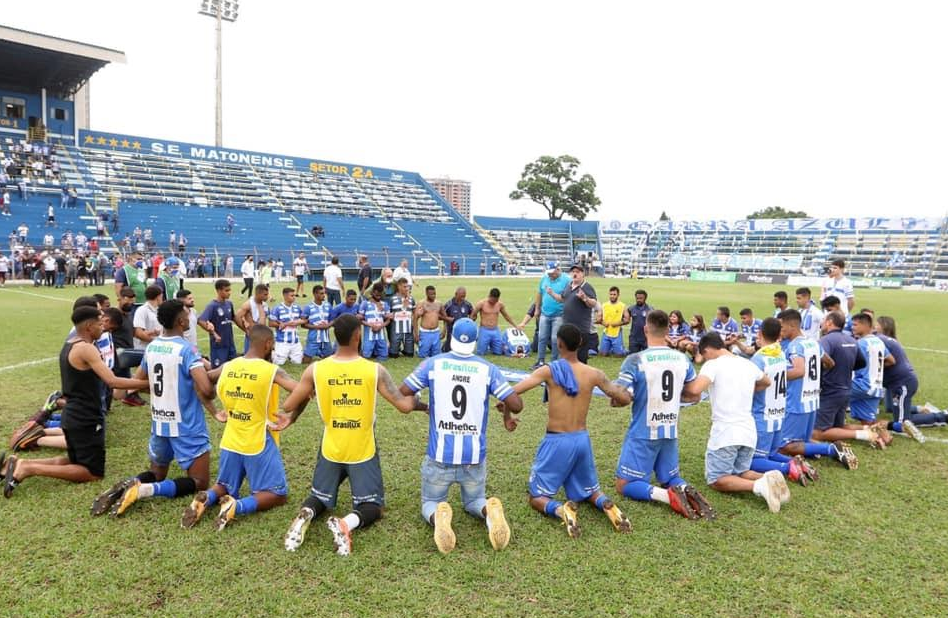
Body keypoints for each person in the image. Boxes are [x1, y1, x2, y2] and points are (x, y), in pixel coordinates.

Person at [276, 314, 424, 555]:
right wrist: (423, 404)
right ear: (358, 336)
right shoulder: (374, 370)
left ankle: (306, 514)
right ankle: (345, 523)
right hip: (361, 449)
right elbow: (404, 406)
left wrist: (298, 409)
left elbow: (289, 404)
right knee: (373, 507)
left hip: (331, 446)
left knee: (319, 497)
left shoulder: (316, 369)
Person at [399, 318, 524, 553]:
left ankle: (439, 517)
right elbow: (516, 404)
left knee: (430, 502)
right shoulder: (487, 369)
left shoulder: (433, 364)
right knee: (474, 501)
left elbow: (403, 393)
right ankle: (489, 511)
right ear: (475, 341)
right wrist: (506, 413)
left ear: (451, 338)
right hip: (473, 456)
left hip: (440, 455)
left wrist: (424, 406)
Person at [2, 307, 148, 498]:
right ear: (88, 326)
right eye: (99, 323)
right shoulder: (86, 349)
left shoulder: (70, 343)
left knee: (75, 461)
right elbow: (112, 381)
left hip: (73, 414)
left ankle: (21, 463)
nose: (103, 327)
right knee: (92, 472)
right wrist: (148, 383)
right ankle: (26, 469)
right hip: (85, 416)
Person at [502, 325, 633, 537]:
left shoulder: (549, 370)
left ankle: (560, 509)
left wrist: (507, 417)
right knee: (590, 491)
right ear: (580, 344)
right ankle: (605, 503)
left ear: (558, 344)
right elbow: (623, 396)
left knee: (536, 497)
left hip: (557, 441)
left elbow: (510, 393)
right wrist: (616, 403)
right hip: (582, 440)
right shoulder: (594, 374)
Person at [91, 300, 218, 517]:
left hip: (159, 423)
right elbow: (206, 391)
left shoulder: (152, 347)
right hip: (186, 425)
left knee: (157, 472)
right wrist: (216, 374)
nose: (189, 319)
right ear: (180, 321)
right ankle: (145, 490)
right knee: (200, 481)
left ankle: (129, 484)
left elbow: (137, 383)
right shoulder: (186, 350)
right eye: (187, 315)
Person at [180, 326, 301, 530]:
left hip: (231, 439)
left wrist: (214, 411)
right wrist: (291, 416)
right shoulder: (270, 370)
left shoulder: (228, 366)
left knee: (224, 486)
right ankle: (237, 506)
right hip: (257, 441)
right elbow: (301, 390)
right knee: (277, 494)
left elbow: (199, 382)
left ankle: (207, 497)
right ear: (268, 344)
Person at [613, 311, 716, 520]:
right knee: (671, 477)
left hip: (644, 431)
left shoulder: (635, 360)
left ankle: (667, 497)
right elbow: (693, 395)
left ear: (645, 329)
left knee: (624, 484)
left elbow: (619, 398)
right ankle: (686, 491)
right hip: (670, 429)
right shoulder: (682, 360)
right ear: (668, 331)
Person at [682, 333, 789, 513]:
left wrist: (681, 387)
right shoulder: (746, 364)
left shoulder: (713, 365)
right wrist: (748, 388)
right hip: (748, 430)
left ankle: (760, 486)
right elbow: (767, 381)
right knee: (740, 471)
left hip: (726, 432)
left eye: (704, 355)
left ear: (707, 350)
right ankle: (769, 478)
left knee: (716, 479)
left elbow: (695, 390)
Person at [775, 310, 858, 469]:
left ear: (792, 325)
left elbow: (799, 371)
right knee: (802, 441)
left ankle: (831, 449)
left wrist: (775, 375)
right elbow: (829, 363)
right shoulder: (813, 342)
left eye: (782, 326)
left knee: (785, 446)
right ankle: (815, 450)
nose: (780, 330)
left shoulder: (795, 346)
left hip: (797, 403)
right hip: (812, 400)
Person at [746, 318, 818, 485]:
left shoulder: (759, 358)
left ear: (759, 333)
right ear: (779, 335)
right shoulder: (779, 353)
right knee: (771, 453)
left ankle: (789, 468)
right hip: (779, 414)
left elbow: (753, 386)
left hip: (763, 416)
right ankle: (795, 462)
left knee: (753, 461)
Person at [811, 312, 887, 448]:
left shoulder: (826, 340)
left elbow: (820, 359)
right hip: (846, 389)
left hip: (830, 391)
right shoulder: (852, 341)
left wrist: (830, 368)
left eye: (824, 320)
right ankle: (870, 429)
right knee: (838, 427)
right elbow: (861, 363)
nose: (822, 323)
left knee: (816, 433)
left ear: (829, 322)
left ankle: (865, 434)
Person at [875, 316, 945, 439]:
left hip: (901, 384)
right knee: (890, 407)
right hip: (894, 383)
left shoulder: (882, 341)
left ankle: (943, 416)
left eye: (877, 324)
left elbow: (890, 362)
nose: (875, 326)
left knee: (902, 423)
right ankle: (922, 409)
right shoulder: (886, 341)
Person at [849, 313, 895, 426]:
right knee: (868, 422)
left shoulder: (860, 343)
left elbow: (849, 363)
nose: (852, 327)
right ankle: (890, 433)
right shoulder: (878, 342)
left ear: (865, 326)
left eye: (855, 325)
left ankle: (831, 426)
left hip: (862, 385)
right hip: (876, 387)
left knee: (833, 393)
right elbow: (891, 360)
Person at [528, 261, 569, 367]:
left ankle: (554, 362)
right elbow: (539, 294)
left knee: (555, 339)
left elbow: (567, 297)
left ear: (557, 269)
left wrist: (552, 293)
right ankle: (540, 360)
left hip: (559, 314)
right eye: (549, 273)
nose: (550, 275)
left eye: (552, 272)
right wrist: (537, 308)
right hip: (545, 313)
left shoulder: (566, 280)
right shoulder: (544, 278)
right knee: (542, 337)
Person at [561, 264, 598, 364]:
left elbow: (593, 303)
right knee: (568, 355)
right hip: (567, 327)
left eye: (578, 272)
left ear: (583, 274)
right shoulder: (569, 286)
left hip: (580, 328)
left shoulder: (587, 287)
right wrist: (551, 293)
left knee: (581, 357)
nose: (575, 274)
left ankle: (581, 377)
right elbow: (563, 298)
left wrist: (585, 298)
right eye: (573, 272)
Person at [198, 279, 238, 368]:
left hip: (230, 343)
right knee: (218, 370)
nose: (229, 293)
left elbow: (234, 317)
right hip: (219, 345)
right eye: (226, 290)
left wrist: (246, 328)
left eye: (230, 290)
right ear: (219, 291)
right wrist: (214, 334)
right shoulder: (212, 306)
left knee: (232, 368)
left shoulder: (229, 304)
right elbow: (201, 321)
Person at [472, 288, 517, 356]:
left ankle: (491, 345)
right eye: (493, 300)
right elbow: (473, 315)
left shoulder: (499, 304)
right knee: (481, 353)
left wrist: (515, 326)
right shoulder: (481, 304)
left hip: (495, 330)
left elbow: (506, 316)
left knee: (499, 352)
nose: (494, 302)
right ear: (489, 296)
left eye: (496, 300)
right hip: (484, 330)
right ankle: (485, 343)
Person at [268, 288, 304, 366]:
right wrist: (281, 325)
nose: (294, 297)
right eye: (292, 295)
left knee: (298, 363)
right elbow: (270, 323)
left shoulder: (297, 308)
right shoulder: (277, 308)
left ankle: (289, 355)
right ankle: (274, 353)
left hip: (295, 341)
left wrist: (296, 322)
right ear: (285, 296)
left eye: (294, 295)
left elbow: (305, 320)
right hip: (282, 341)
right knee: (278, 363)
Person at [359, 282, 391, 360]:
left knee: (384, 356)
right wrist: (371, 325)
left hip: (381, 334)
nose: (379, 297)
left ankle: (377, 351)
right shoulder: (365, 304)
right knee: (366, 356)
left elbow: (388, 320)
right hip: (369, 334)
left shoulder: (384, 304)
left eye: (380, 295)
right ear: (372, 292)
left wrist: (381, 326)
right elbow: (360, 320)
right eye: (377, 295)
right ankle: (368, 350)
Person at [301, 284, 333, 363]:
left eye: (324, 293)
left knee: (329, 361)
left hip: (326, 338)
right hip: (313, 338)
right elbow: (303, 325)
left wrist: (327, 325)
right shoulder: (308, 307)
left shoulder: (328, 305)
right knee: (306, 361)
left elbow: (333, 320)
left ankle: (320, 353)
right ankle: (316, 352)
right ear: (315, 294)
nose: (324, 295)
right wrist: (317, 327)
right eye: (321, 293)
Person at [235, 284, 270, 354]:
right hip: (252, 336)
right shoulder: (248, 304)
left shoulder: (264, 304)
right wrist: (246, 330)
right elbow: (237, 317)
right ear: (258, 294)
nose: (267, 297)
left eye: (267, 294)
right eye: (265, 295)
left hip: (262, 335)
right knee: (250, 358)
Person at [440, 287, 473, 354]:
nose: (463, 298)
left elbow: (473, 313)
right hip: (452, 331)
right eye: (461, 296)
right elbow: (440, 316)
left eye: (464, 296)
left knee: (462, 351)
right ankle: (445, 346)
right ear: (456, 294)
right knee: (449, 351)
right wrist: (446, 321)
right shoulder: (449, 304)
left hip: (464, 331)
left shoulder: (467, 304)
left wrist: (470, 320)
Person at [388, 278, 416, 359]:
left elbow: (414, 313)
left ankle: (406, 349)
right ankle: (392, 348)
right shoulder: (392, 299)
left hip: (408, 330)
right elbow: (388, 313)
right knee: (393, 355)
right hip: (396, 329)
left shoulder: (411, 299)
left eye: (407, 287)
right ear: (399, 286)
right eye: (404, 287)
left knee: (410, 354)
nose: (407, 288)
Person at [414, 285, 443, 359]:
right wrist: (416, 335)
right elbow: (415, 319)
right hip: (425, 332)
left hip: (436, 332)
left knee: (436, 356)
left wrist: (444, 330)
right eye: (431, 294)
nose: (433, 296)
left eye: (434, 294)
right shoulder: (421, 303)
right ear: (426, 294)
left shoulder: (439, 303)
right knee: (423, 356)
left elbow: (444, 317)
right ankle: (419, 350)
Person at [598, 286, 628, 357]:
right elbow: (598, 318)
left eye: (614, 294)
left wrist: (618, 323)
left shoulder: (622, 306)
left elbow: (627, 320)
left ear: (618, 295)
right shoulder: (604, 305)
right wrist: (602, 323)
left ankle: (623, 349)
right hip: (607, 332)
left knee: (619, 355)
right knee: (603, 354)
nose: (612, 296)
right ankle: (610, 347)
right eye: (611, 294)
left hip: (616, 332)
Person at [133, 286, 164, 351]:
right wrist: (156, 342)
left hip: (157, 350)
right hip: (145, 350)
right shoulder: (142, 310)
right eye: (161, 296)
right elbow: (138, 333)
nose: (162, 299)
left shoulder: (159, 310)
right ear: (158, 297)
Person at [623, 289, 652, 354]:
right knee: (633, 356)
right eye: (637, 298)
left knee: (646, 356)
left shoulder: (650, 309)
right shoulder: (631, 308)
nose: (639, 300)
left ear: (645, 298)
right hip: (634, 338)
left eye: (641, 298)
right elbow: (624, 318)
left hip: (646, 338)